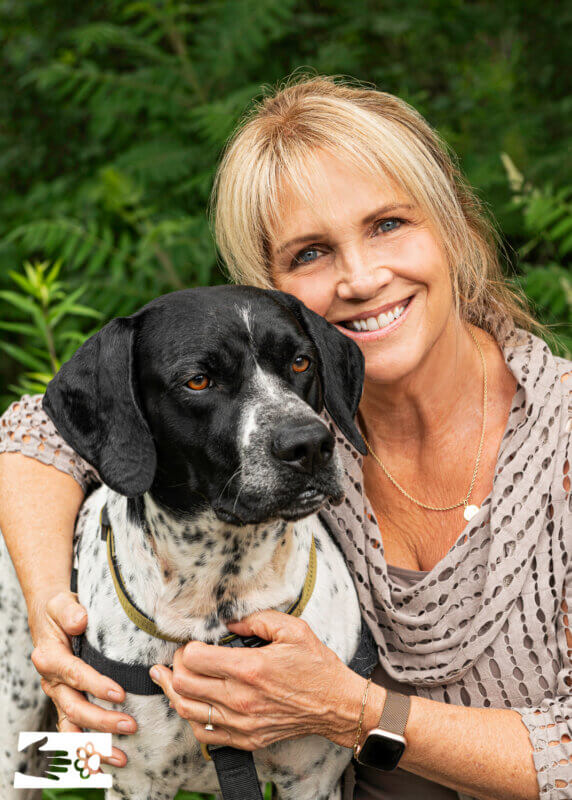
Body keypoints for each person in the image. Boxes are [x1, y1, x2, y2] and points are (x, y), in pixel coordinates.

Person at [0, 75, 570, 800]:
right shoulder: (301, 408)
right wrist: (54, 625)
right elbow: (35, 431)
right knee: (42, 764)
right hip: (158, 758)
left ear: (453, 228)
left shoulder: (558, 443)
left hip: (341, 771)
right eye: (310, 254)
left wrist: (352, 710)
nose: (362, 277)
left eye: (389, 224)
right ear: (267, 293)